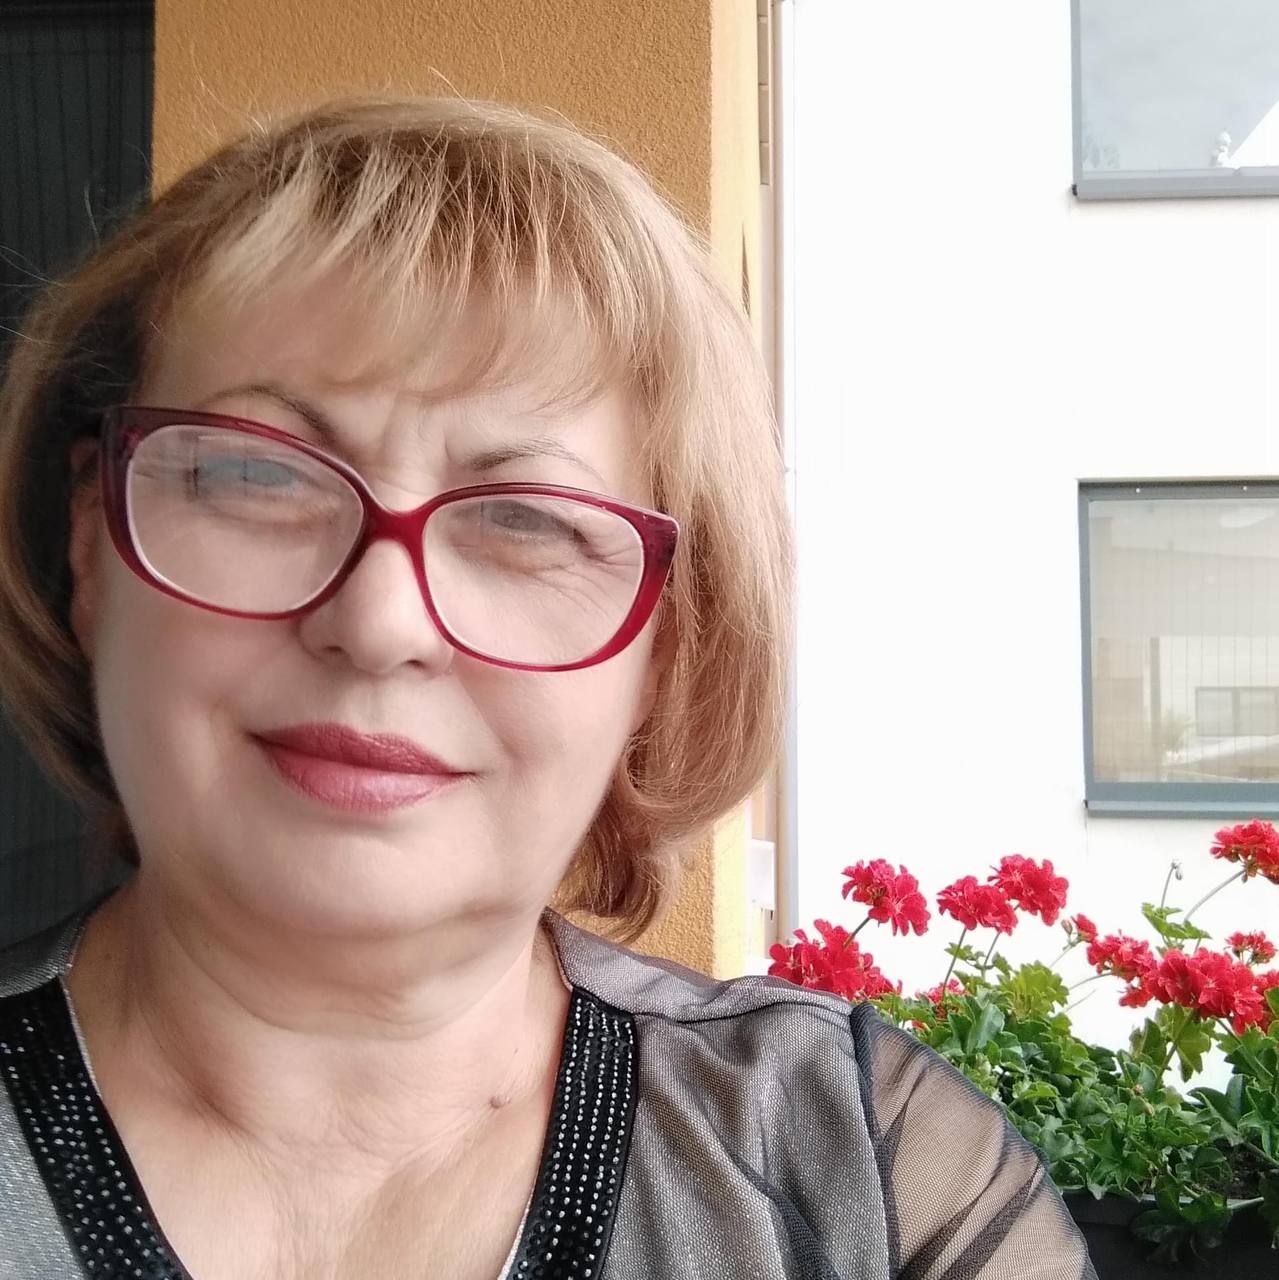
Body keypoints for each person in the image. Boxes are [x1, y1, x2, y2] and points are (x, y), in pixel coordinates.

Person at [0, 96, 1097, 1279]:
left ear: (661, 651)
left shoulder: (869, 1179)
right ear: (91, 543)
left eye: (526, 520)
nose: (380, 622)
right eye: (260, 474)